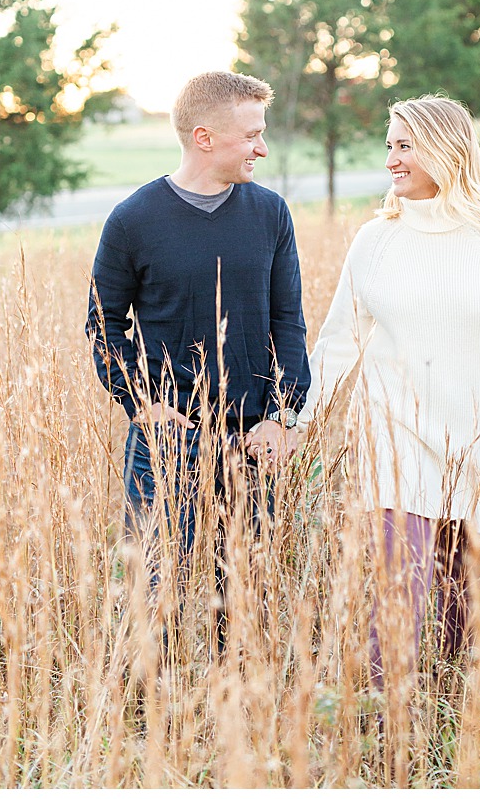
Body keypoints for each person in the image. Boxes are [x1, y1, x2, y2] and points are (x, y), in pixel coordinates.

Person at [296, 95, 480, 686]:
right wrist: (300, 421)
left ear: (446, 148)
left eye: (404, 145)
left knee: (463, 609)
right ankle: (385, 736)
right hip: (394, 440)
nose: (391, 158)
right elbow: (339, 343)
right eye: (389, 144)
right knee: (399, 596)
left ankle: (451, 726)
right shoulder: (375, 240)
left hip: (477, 443)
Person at [86, 71, 310, 646]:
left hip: (252, 440)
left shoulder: (270, 214)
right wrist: (142, 404)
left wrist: (283, 414)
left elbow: (288, 321)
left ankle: (232, 713)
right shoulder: (134, 220)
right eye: (251, 135)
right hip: (167, 439)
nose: (262, 147)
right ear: (204, 137)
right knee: (152, 587)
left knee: (244, 591)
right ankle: (145, 716)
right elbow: (104, 324)